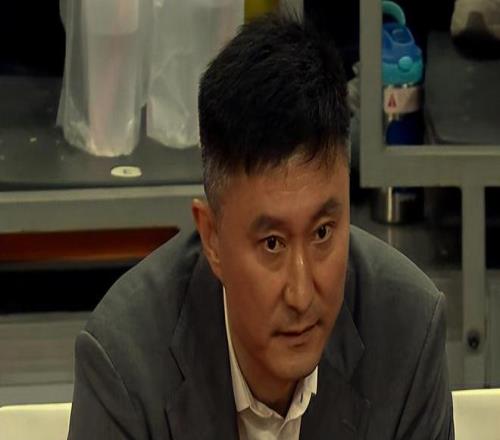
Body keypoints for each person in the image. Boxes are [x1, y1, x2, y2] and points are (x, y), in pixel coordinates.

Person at [67, 13, 454, 440]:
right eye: (272, 243)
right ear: (212, 238)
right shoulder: (125, 364)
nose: (301, 295)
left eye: (322, 233)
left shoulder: (408, 332)